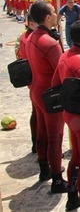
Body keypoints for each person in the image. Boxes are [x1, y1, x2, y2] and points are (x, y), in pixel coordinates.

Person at [51, 20, 80, 211]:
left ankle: (72, 195)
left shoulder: (65, 56)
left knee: (77, 157)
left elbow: (55, 83)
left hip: (71, 115)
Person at [25, 1, 68, 193]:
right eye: (53, 11)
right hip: (51, 95)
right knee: (55, 137)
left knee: (42, 131)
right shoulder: (50, 43)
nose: (57, 14)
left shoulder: (31, 37)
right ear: (48, 17)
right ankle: (57, 178)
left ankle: (44, 168)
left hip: (36, 90)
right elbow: (62, 70)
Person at [16, 14, 39, 153]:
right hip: (37, 78)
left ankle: (35, 143)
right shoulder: (30, 38)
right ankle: (37, 144)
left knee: (35, 112)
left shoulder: (24, 36)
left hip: (32, 79)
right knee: (39, 115)